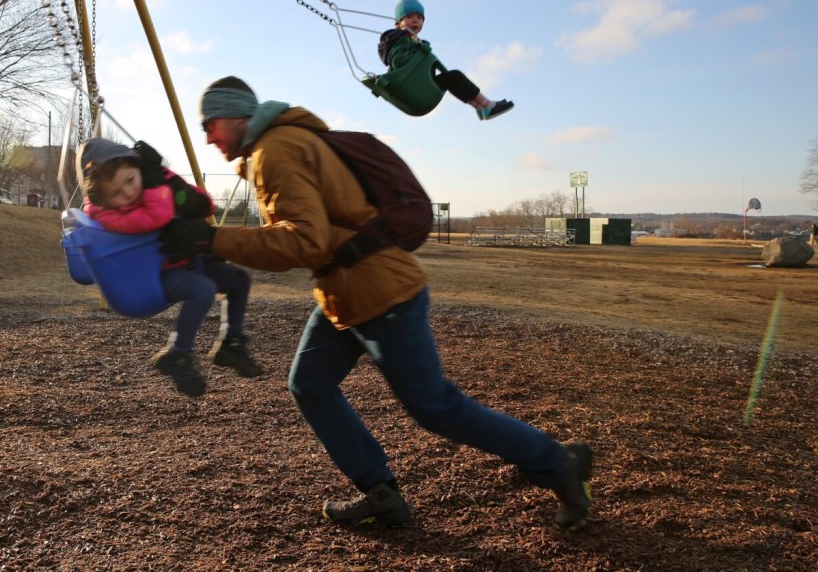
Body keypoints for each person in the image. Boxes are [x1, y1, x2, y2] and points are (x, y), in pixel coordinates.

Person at [158, 76, 593, 530]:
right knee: (310, 385)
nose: (208, 136)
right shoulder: (282, 144)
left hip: (382, 293)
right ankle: (379, 493)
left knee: (437, 407)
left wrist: (215, 239)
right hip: (344, 294)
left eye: (211, 124)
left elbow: (303, 242)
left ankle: (558, 462)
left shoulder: (275, 151)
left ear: (238, 116)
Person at [78, 136, 263, 397]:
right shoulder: (105, 213)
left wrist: (170, 180)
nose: (128, 193)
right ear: (102, 199)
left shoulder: (150, 180)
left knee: (238, 279)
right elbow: (157, 216)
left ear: (137, 168)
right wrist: (156, 180)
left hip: (185, 259)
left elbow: (204, 203)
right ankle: (178, 353)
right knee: (202, 290)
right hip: (152, 275)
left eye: (131, 180)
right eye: (115, 193)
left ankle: (231, 342)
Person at [379, 0, 514, 121]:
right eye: (409, 16)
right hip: (412, 85)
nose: (415, 20)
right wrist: (419, 53)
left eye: (420, 18)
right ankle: (486, 105)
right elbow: (398, 61)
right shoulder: (399, 39)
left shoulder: (413, 41)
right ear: (398, 24)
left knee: (452, 81)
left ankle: (481, 107)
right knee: (454, 77)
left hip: (420, 83)